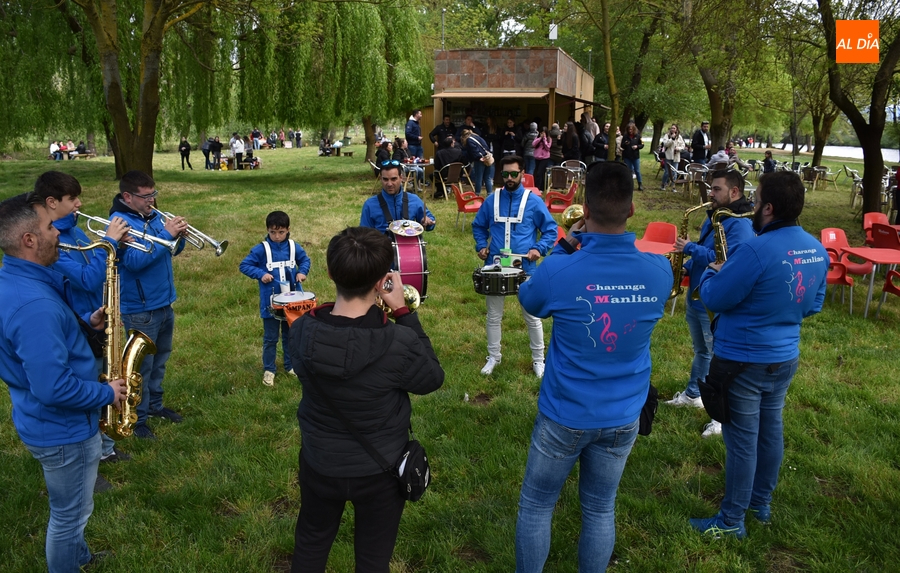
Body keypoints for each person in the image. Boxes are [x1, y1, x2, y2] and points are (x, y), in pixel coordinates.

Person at [514, 160, 671, 572]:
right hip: (624, 413)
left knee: (536, 504)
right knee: (601, 508)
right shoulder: (659, 271)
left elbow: (528, 299)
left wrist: (567, 244)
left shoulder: (559, 269)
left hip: (566, 412)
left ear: (583, 208)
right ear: (632, 209)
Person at [288, 226, 444, 573]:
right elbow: (432, 378)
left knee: (311, 544)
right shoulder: (398, 342)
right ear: (381, 282)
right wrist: (403, 312)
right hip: (380, 469)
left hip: (320, 461)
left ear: (329, 273)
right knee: (373, 559)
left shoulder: (299, 331)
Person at [689, 171, 828, 538]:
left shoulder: (754, 249)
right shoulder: (815, 248)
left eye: (756, 197)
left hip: (742, 362)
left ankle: (731, 521)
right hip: (783, 358)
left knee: (741, 442)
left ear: (767, 207)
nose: (750, 205)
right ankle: (760, 505)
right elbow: (813, 305)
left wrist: (711, 273)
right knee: (771, 433)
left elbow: (716, 298)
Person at [0, 193, 128, 573]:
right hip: (63, 429)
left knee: (73, 510)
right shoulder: (34, 306)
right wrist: (108, 392)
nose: (59, 233)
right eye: (50, 226)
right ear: (29, 239)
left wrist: (84, 325)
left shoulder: (15, 280)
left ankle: (79, 557)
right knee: (70, 516)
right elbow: (54, 388)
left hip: (45, 420)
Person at [30, 171, 134, 470]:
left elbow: (99, 267)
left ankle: (105, 448)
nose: (80, 203)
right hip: (74, 329)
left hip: (94, 322)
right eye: (72, 198)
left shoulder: (75, 231)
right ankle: (87, 458)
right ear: (52, 202)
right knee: (86, 388)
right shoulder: (52, 241)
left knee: (105, 379)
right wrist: (109, 243)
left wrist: (116, 247)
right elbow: (89, 280)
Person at [666, 168, 755, 438]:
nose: (710, 194)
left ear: (735, 192)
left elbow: (728, 260)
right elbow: (709, 253)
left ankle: (721, 416)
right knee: (702, 350)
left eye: (716, 189)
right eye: (711, 188)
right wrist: (687, 266)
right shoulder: (716, 216)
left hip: (715, 298)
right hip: (698, 293)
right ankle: (694, 393)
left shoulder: (739, 224)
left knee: (719, 356)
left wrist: (690, 249)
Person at [108, 170, 188, 440]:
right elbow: (133, 263)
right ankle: (137, 419)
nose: (152, 200)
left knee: (160, 361)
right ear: (128, 196)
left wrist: (179, 236)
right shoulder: (119, 223)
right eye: (146, 196)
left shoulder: (153, 216)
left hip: (164, 302)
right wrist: (166, 235)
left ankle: (154, 406)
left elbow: (171, 250)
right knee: (140, 367)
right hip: (140, 309)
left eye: (154, 194)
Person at [472, 155, 557, 377]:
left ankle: (539, 360)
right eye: (506, 174)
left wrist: (539, 248)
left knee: (532, 316)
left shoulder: (534, 201)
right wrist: (482, 246)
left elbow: (550, 229)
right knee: (493, 315)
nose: (509, 178)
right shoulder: (491, 199)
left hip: (525, 267)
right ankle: (493, 357)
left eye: (514, 174)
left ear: (522, 174)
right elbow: (479, 226)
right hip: (496, 266)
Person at [239, 211, 311, 386]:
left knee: (290, 335)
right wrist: (260, 274)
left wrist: (302, 272)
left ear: (288, 230)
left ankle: (289, 365)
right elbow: (245, 265)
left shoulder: (294, 247)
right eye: (273, 232)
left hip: (292, 303)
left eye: (281, 232)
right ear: (267, 230)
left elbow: (305, 260)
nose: (277, 236)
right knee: (271, 338)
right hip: (270, 302)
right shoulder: (261, 249)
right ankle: (269, 369)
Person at [360, 161, 436, 234]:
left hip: (409, 245)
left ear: (401, 178)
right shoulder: (370, 205)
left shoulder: (414, 199)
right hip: (380, 246)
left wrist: (427, 221)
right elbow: (364, 234)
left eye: (393, 179)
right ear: (380, 179)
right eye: (385, 179)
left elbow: (430, 221)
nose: (389, 184)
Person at [461, 129, 494, 196]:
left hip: (480, 159)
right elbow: (485, 146)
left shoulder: (469, 140)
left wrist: (478, 157)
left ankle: (477, 194)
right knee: (487, 177)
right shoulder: (478, 137)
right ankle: (490, 193)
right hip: (487, 157)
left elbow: (473, 150)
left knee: (478, 177)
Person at [660, 124, 685, 190]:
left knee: (674, 172)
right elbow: (665, 144)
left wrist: (678, 148)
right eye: (671, 128)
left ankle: (673, 186)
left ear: (676, 129)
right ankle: (663, 184)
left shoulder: (679, 137)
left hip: (676, 157)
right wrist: (672, 139)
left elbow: (683, 146)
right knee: (667, 172)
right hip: (668, 156)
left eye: (674, 128)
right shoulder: (667, 136)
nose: (672, 129)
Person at [621, 122, 644, 191]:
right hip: (627, 156)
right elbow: (622, 145)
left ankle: (640, 184)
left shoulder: (638, 136)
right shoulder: (625, 136)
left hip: (635, 156)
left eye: (631, 129)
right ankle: (629, 184)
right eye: (629, 130)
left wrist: (637, 146)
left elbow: (642, 144)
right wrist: (625, 144)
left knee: (637, 170)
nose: (630, 131)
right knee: (629, 170)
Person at [532, 127, 552, 192]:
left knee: (540, 173)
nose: (542, 134)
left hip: (545, 158)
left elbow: (548, 147)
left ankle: (538, 188)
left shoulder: (549, 139)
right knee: (538, 173)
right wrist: (540, 138)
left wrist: (544, 139)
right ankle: (541, 187)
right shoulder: (537, 138)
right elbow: (533, 144)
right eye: (541, 133)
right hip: (537, 157)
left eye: (544, 133)